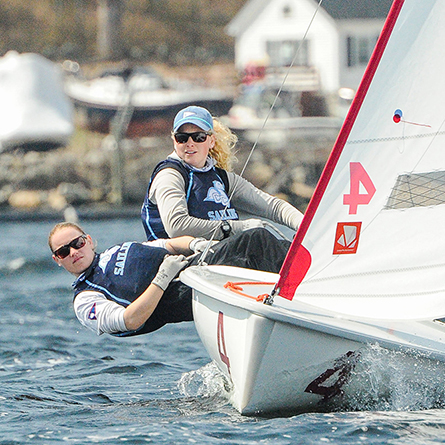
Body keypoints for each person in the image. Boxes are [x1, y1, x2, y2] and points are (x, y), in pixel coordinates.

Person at [49, 222, 290, 338]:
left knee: (261, 240)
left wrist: (196, 243)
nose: (73, 253)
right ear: (57, 260)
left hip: (192, 267)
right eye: (63, 252)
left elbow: (170, 244)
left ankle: (306, 277)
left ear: (89, 240)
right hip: (178, 295)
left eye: (77, 243)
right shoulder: (84, 299)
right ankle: (300, 288)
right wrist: (162, 278)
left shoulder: (116, 250)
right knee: (255, 241)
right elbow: (130, 320)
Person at [141, 105, 303, 241]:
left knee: (277, 246)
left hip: (226, 259)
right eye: (182, 138)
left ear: (211, 141)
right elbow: (177, 227)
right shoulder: (170, 175)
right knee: (256, 237)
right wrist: (237, 227)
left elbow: (273, 207)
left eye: (198, 137)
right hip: (185, 264)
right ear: (175, 141)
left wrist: (305, 225)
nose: (190, 143)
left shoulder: (222, 178)